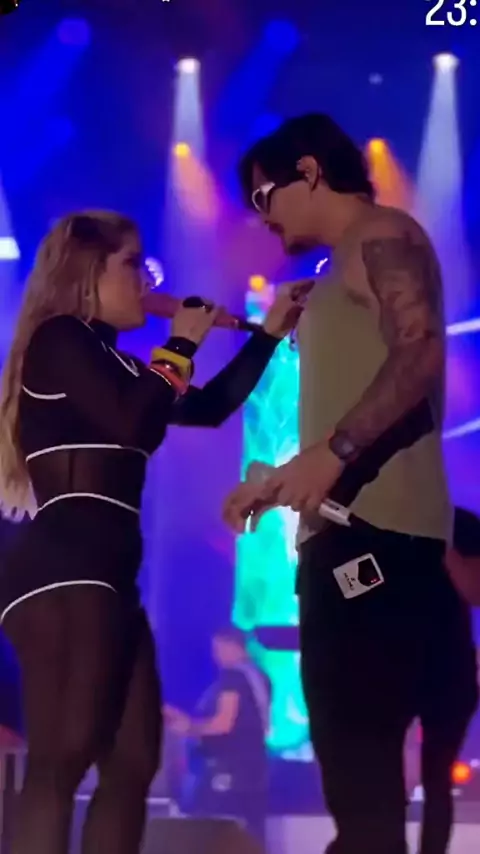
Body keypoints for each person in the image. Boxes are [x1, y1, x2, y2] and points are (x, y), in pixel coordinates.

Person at [0, 210, 303, 854]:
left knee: (134, 760)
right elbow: (131, 422)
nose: (147, 280)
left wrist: (268, 335)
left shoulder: (114, 363)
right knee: (64, 754)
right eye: (133, 264)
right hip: (63, 572)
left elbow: (208, 408)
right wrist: (180, 345)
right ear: (88, 272)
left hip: (109, 576)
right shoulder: (60, 339)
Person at [222, 114, 479, 854]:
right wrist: (279, 481)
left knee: (363, 798)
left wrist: (333, 453)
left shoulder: (381, 235)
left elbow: (420, 350)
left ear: (308, 172)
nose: (260, 216)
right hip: (350, 539)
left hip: (375, 547)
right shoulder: (340, 268)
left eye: (264, 196)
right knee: (360, 802)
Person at [165, 626, 271, 847]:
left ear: (231, 645)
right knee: (250, 833)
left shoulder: (232, 677)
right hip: (255, 769)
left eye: (217, 649)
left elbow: (224, 724)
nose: (216, 656)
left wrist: (189, 728)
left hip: (228, 771)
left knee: (213, 830)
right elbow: (247, 723)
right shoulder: (260, 677)